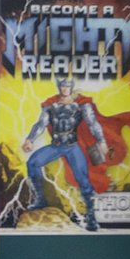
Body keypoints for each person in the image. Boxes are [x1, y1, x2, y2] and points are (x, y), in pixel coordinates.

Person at [21, 77, 108, 231]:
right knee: (33, 163)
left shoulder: (81, 104)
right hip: (56, 146)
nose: (65, 88)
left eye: (68, 85)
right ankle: (40, 198)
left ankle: (91, 216)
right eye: (63, 85)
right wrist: (30, 139)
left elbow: (92, 123)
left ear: (72, 86)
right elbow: (41, 123)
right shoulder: (51, 104)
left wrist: (101, 141)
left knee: (83, 180)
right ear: (59, 86)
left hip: (72, 146)